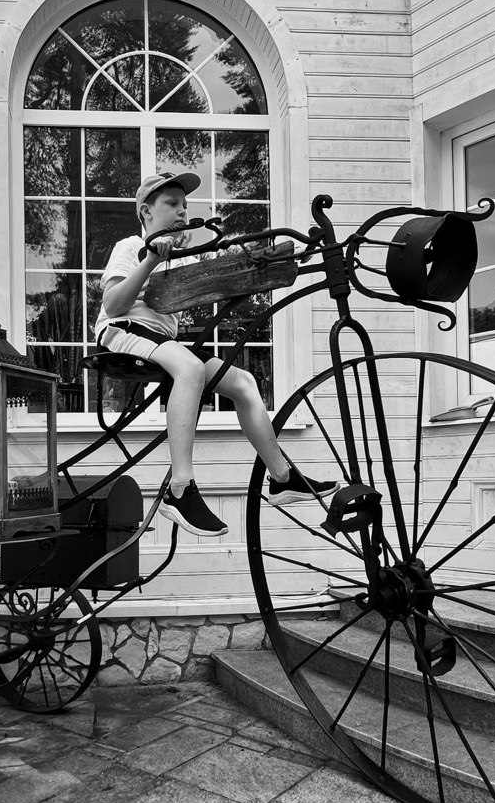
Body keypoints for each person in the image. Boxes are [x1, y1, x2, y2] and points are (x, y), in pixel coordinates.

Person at [96, 171, 337, 537]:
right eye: (172, 204)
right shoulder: (131, 247)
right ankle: (180, 488)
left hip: (161, 342)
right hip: (123, 332)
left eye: (184, 205)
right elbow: (113, 305)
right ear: (146, 211)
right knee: (191, 369)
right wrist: (149, 261)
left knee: (243, 382)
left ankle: (282, 477)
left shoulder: (179, 259)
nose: (182, 211)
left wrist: (270, 264)